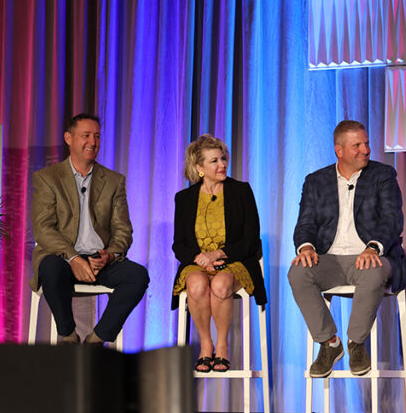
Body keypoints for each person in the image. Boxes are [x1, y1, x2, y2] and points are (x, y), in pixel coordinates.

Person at [288, 120, 406, 377]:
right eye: (357, 145)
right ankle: (329, 342)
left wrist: (373, 247)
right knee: (298, 272)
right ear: (339, 150)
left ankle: (356, 343)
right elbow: (305, 222)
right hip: (330, 259)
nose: (365, 149)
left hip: (370, 257)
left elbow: (391, 218)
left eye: (366, 143)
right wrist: (306, 247)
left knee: (373, 271)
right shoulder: (316, 180)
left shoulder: (382, 175)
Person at [30, 113, 149, 345]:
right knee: (50, 269)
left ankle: (97, 340)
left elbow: (123, 230)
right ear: (68, 138)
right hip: (63, 258)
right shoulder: (47, 178)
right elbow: (43, 228)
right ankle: (68, 334)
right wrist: (74, 258)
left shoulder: (114, 181)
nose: (92, 142)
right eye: (86, 136)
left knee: (137, 276)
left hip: (99, 260)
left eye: (96, 136)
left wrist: (110, 254)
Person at [172, 134, 266, 372]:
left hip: (235, 261)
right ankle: (206, 344)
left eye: (223, 158)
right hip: (198, 263)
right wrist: (199, 258)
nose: (222, 164)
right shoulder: (184, 199)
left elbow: (251, 239)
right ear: (199, 168)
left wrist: (217, 255)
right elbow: (179, 244)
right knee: (195, 284)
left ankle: (222, 345)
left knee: (221, 286)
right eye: (214, 161)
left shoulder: (241, 191)